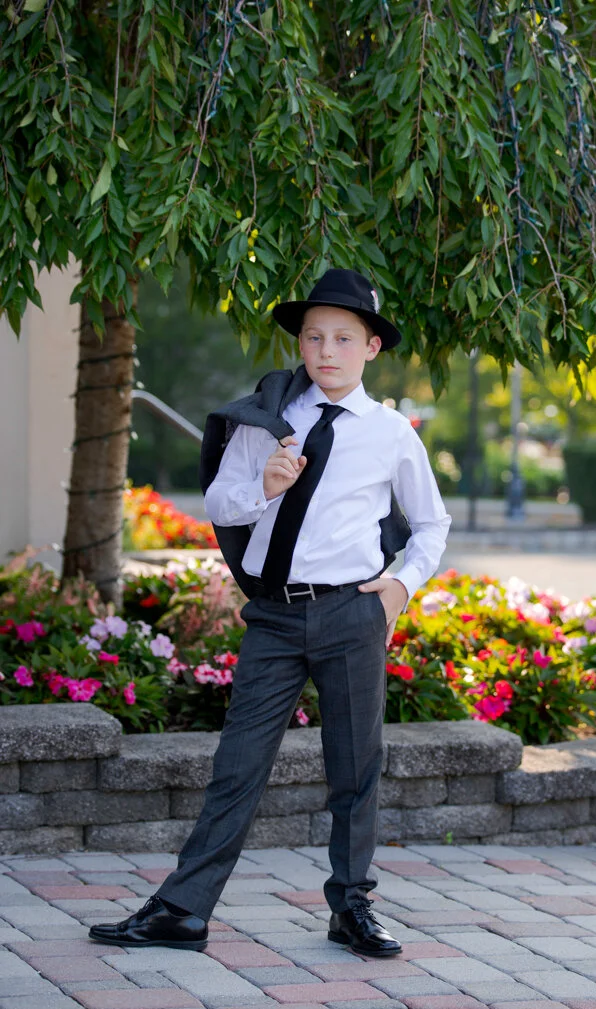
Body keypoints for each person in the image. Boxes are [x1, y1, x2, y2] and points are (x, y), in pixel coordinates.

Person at [89, 268, 451, 957]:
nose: (326, 351)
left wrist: (402, 586)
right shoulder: (270, 419)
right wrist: (265, 484)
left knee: (355, 767)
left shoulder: (391, 434)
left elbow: (432, 523)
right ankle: (183, 911)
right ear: (301, 343)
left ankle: (352, 906)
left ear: (372, 347)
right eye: (314, 337)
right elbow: (219, 503)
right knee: (239, 764)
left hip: (352, 612)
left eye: (343, 338)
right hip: (277, 617)